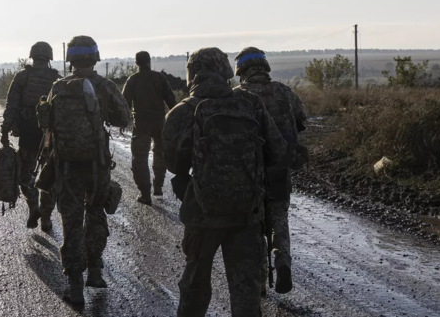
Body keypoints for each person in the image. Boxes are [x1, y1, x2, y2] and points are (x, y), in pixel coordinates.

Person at [162, 47, 287, 317]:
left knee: (196, 282)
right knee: (245, 290)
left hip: (203, 214)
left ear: (192, 73)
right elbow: (277, 151)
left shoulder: (182, 112)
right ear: (226, 71)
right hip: (247, 213)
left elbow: (173, 164)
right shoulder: (250, 104)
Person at [43, 35, 130, 305]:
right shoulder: (104, 85)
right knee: (95, 213)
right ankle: (95, 271)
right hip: (98, 166)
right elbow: (124, 118)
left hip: (67, 166)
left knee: (71, 223)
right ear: (95, 57)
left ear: (70, 59)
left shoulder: (58, 87)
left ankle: (75, 286)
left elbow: (46, 124)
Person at [233, 47, 308, 294]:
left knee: (254, 224)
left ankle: (259, 279)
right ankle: (282, 259)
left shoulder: (237, 96)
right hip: (280, 169)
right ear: (265, 68)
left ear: (241, 71)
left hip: (249, 174)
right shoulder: (285, 92)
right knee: (279, 219)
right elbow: (301, 122)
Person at [0, 42, 60, 232]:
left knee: (26, 174)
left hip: (28, 132)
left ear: (32, 56)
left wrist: (5, 130)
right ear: (49, 57)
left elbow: (12, 106)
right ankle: (46, 218)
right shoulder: (56, 80)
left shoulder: (22, 77)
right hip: (50, 134)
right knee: (49, 176)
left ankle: (33, 207)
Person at [122, 51, 177, 205]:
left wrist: (122, 122)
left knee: (140, 158)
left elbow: (124, 104)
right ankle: (158, 186)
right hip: (160, 122)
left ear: (136, 63)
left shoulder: (133, 80)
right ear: (149, 61)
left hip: (141, 124)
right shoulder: (160, 78)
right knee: (160, 154)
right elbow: (171, 102)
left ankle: (145, 194)